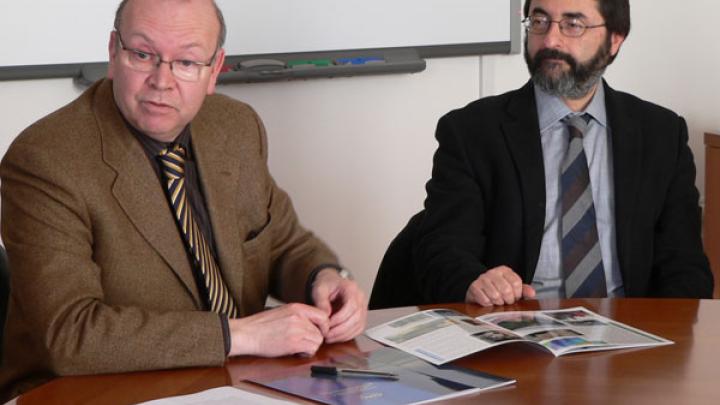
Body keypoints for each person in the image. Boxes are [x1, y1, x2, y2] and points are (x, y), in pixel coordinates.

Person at [0, 0, 366, 400]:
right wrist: (238, 335)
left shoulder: (236, 127)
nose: (162, 80)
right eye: (143, 55)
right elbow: (69, 334)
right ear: (112, 53)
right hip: (83, 390)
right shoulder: (47, 159)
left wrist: (324, 278)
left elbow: (280, 241)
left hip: (231, 381)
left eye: (187, 62)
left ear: (214, 70)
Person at [411, 0, 713, 307]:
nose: (550, 40)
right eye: (539, 22)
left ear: (615, 39)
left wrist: (661, 341)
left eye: (573, 24)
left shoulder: (661, 135)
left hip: (631, 330)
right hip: (519, 329)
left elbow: (685, 267)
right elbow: (440, 251)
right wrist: (474, 281)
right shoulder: (472, 132)